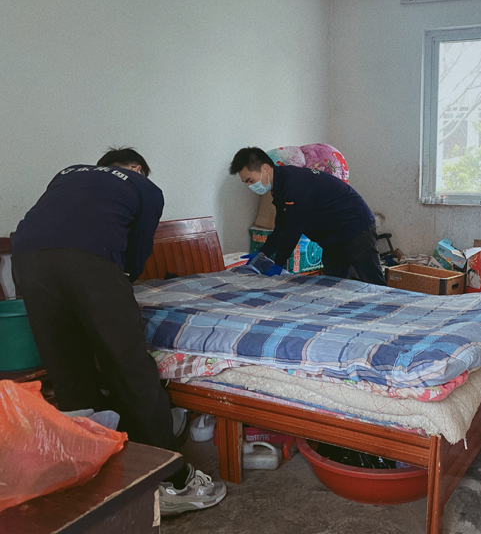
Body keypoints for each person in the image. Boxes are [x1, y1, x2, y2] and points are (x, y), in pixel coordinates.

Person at [11, 148, 226, 516]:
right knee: (130, 368)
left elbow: (53, 219)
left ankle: (92, 474)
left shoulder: (69, 172)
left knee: (68, 372)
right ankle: (173, 483)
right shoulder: (145, 187)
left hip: (26, 257)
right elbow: (136, 254)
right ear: (138, 168)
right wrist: (115, 291)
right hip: (90, 260)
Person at [229, 147, 387, 285]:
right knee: (333, 284)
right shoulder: (279, 186)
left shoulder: (294, 185)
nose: (250, 186)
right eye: (246, 183)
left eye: (250, 180)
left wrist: (278, 263)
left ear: (265, 168)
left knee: (373, 282)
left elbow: (293, 229)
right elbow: (281, 225)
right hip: (333, 238)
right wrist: (263, 253)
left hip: (356, 228)